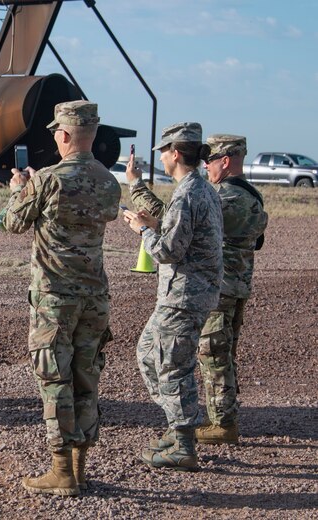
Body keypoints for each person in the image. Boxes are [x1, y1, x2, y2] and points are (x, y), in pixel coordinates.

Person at [0, 101, 120, 496]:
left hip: (55, 298)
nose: (54, 137)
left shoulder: (48, 179)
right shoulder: (108, 180)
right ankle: (80, 467)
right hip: (94, 298)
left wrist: (18, 190)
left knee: (54, 378)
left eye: (56, 132)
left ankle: (60, 470)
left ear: (64, 135)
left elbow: (12, 223)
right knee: (86, 378)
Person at [122, 122, 223, 470]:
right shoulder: (202, 188)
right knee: (148, 353)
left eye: (164, 152)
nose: (162, 158)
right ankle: (177, 426)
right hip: (186, 294)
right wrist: (155, 223)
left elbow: (168, 251)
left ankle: (183, 444)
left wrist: (142, 230)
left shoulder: (188, 193)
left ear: (175, 153)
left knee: (172, 367)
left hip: (184, 296)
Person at [196, 135, 268, 444]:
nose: (206, 167)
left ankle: (223, 423)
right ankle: (225, 416)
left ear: (225, 161)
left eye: (209, 160)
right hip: (237, 286)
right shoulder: (251, 195)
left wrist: (140, 190)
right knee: (225, 353)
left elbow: (182, 225)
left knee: (213, 353)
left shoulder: (224, 197)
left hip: (219, 288)